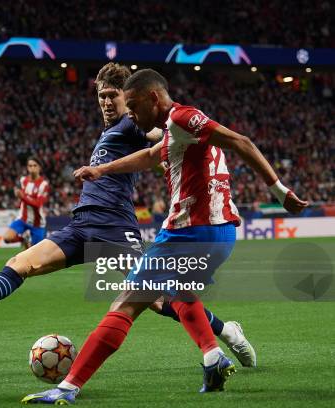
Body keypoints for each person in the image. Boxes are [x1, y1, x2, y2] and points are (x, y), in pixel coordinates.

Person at [0, 64, 255, 367]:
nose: (105, 102)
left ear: (127, 98)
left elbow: (162, 133)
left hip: (115, 228)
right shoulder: (108, 132)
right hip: (81, 224)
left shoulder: (133, 124)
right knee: (20, 264)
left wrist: (178, 134)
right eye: (101, 95)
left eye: (112, 96)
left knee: (159, 298)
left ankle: (226, 331)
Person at [22, 68, 308, 404]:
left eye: (133, 106)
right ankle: (213, 357)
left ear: (153, 98)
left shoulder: (183, 119)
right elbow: (149, 157)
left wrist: (279, 191)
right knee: (180, 292)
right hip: (222, 234)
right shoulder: (187, 132)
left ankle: (67, 388)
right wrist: (101, 169)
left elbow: (241, 141)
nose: (131, 114)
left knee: (126, 303)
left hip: (188, 233)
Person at [3, 157, 49, 249]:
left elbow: (38, 204)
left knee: (34, 255)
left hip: (37, 222)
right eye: (30, 166)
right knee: (7, 238)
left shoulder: (43, 184)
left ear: (39, 167)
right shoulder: (23, 180)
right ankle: (24, 239)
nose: (32, 168)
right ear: (27, 168)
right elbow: (23, 198)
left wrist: (22, 197)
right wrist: (19, 198)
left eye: (35, 165)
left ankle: (30, 244)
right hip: (23, 218)